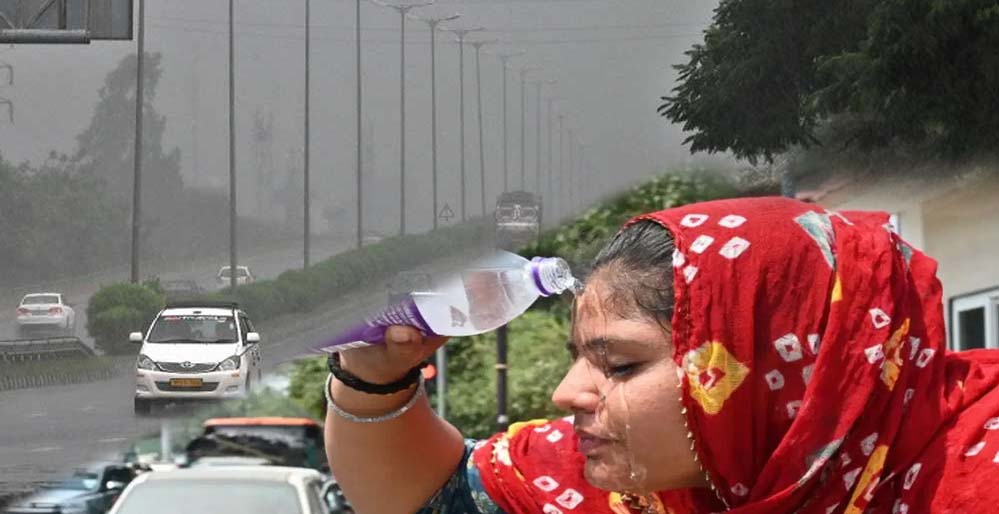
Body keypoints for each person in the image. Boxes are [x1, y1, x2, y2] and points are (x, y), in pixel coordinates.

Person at [323, 197, 999, 514]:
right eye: (580, 358)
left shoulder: (970, 477)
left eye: (618, 365)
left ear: (781, 375)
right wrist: (372, 371)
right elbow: (426, 497)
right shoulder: (647, 485)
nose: (565, 394)